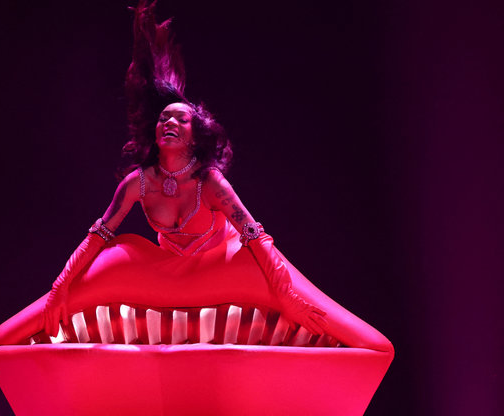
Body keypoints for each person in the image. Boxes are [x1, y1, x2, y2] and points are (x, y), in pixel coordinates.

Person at [41, 0, 329, 339]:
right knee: (111, 264)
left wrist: (287, 295)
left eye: (182, 118)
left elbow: (256, 237)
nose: (170, 122)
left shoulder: (210, 182)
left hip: (223, 275)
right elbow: (97, 237)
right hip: (176, 283)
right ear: (155, 131)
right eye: (164, 118)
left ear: (196, 136)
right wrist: (60, 286)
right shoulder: (138, 184)